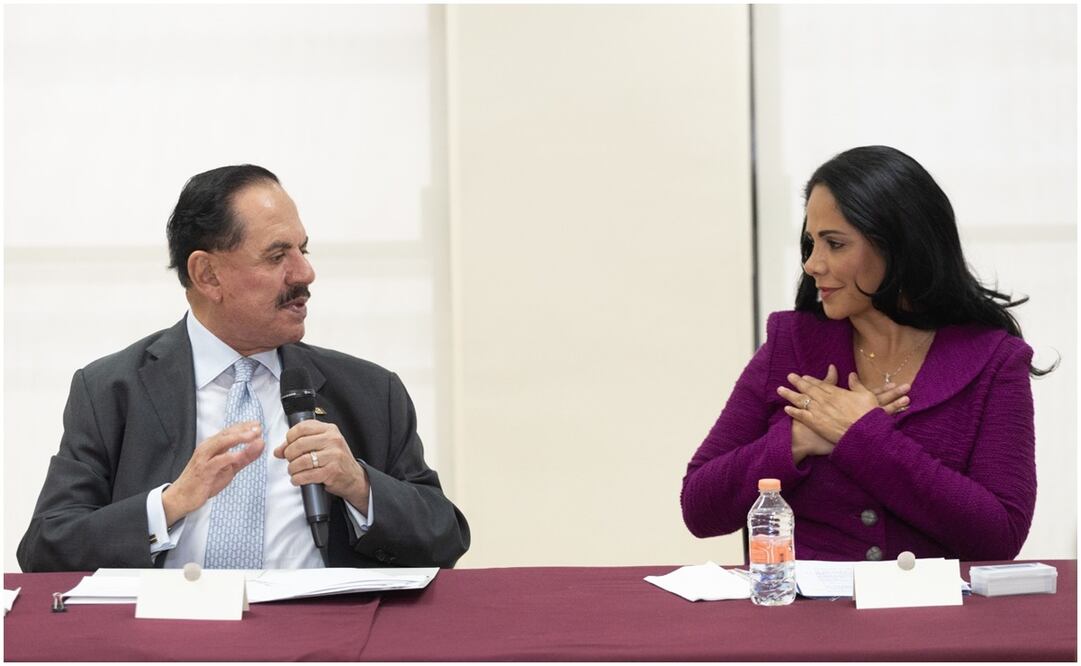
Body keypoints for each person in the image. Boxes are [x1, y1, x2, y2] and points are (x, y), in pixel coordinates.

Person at [18, 165, 470, 571]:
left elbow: (444, 537)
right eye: (277, 256)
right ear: (208, 275)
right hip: (169, 641)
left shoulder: (371, 391)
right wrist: (171, 503)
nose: (305, 274)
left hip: (318, 643)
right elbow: (46, 548)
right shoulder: (111, 390)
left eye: (303, 250)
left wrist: (360, 486)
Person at [681, 146, 1049, 562]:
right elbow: (699, 507)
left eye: (835, 244)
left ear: (898, 246)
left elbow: (1000, 535)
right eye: (811, 243)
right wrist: (798, 439)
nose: (812, 264)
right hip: (800, 620)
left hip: (932, 621)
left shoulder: (995, 361)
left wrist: (861, 436)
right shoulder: (789, 343)